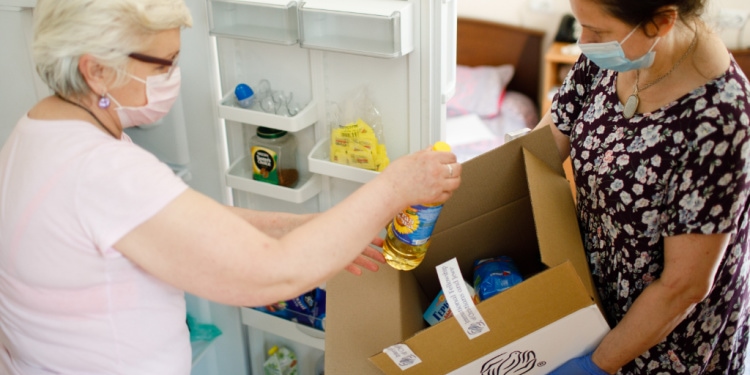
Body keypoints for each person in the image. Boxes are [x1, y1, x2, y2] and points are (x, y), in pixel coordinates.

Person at [0, 0, 462, 374]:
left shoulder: (42, 127)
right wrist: (396, 186)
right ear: (96, 71)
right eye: (164, 64)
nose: (172, 78)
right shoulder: (100, 171)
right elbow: (274, 274)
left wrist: (301, 225)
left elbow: (180, 222)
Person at [542, 0, 750, 374]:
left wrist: (596, 365)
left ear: (661, 22)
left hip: (665, 333)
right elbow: (547, 141)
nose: (584, 42)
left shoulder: (721, 121)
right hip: (599, 288)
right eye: (581, 25)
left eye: (597, 32)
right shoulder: (611, 52)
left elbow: (683, 288)